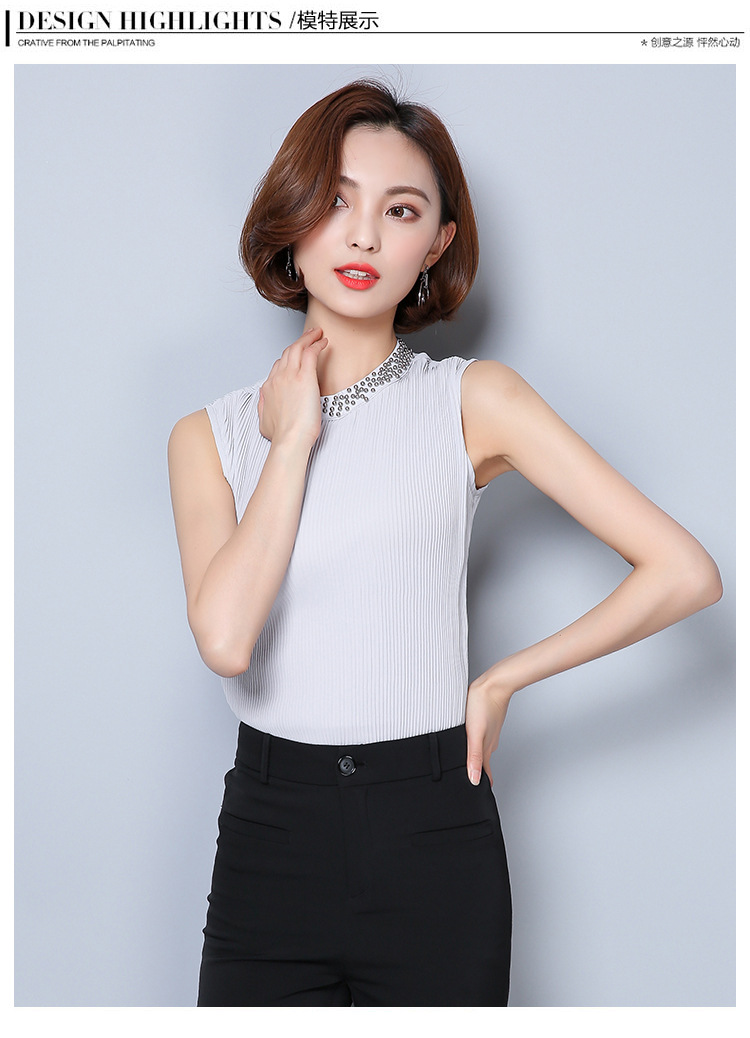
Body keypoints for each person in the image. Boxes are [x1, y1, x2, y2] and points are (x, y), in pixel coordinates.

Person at [167, 80, 722, 1007]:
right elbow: (226, 641)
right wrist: (292, 441)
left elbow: (685, 572)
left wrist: (501, 682)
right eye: (336, 200)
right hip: (270, 833)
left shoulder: (471, 400)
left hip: (431, 830)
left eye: (401, 211)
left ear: (436, 243)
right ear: (291, 218)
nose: (363, 237)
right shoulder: (208, 436)